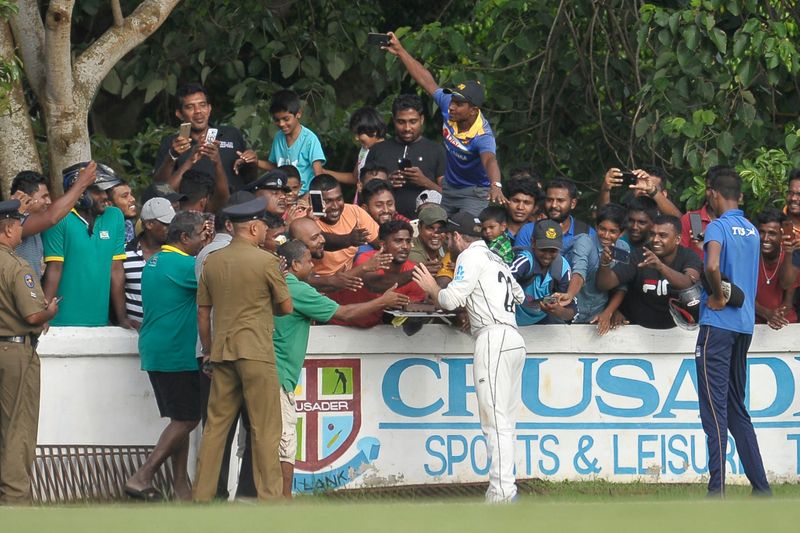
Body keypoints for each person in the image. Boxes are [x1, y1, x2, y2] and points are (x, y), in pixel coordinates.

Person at [239, 240, 409, 498]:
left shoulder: (271, 283)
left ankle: (251, 498)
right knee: (284, 442)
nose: (312, 265)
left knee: (259, 439)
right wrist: (382, 301)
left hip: (255, 370)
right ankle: (282, 503)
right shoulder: (295, 289)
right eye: (308, 261)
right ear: (295, 264)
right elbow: (346, 313)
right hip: (278, 374)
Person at [412, 211, 526, 503]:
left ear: (457, 236)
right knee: (505, 421)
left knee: (494, 420)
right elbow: (520, 295)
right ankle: (503, 489)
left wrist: (432, 288)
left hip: (494, 338)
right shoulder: (495, 258)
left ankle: (502, 493)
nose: (446, 241)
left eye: (448, 236)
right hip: (513, 338)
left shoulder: (470, 256)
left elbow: (451, 299)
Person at [194, 196, 292, 502]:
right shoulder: (266, 261)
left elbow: (202, 312)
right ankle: (270, 497)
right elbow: (286, 308)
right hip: (256, 352)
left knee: (215, 428)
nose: (267, 231)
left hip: (222, 352)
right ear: (252, 228)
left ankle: (202, 495)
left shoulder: (212, 260)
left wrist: (208, 349)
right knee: (265, 427)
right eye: (263, 225)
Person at [694, 168, 771, 497]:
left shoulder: (719, 227)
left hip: (718, 326)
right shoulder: (752, 230)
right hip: (744, 326)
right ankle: (761, 488)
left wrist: (715, 295)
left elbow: (712, 267)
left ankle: (718, 491)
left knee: (713, 410)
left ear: (712, 193)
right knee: (737, 407)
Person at [124, 211, 209, 501]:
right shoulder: (185, 264)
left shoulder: (156, 260)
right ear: (185, 238)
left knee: (181, 417)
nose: (204, 241)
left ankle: (179, 487)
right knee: (187, 419)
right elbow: (220, 283)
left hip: (157, 346)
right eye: (201, 235)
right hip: (176, 349)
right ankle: (142, 476)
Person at [384, 33, 506, 214]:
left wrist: (496, 185)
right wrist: (400, 51)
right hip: (448, 188)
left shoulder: (482, 135)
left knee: (465, 235)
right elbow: (426, 80)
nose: (452, 106)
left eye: (459, 104)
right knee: (435, 229)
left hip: (474, 192)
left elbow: (489, 160)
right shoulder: (449, 105)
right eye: (453, 100)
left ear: (473, 110)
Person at [0, 199, 58, 504]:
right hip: (14, 352)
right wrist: (49, 311)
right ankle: (14, 500)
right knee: (18, 427)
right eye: (19, 224)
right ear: (8, 228)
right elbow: (33, 316)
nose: (22, 229)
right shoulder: (16, 265)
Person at [42, 162, 131, 328]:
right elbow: (54, 268)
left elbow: (116, 269)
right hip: (61, 321)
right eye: (98, 191)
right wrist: (45, 317)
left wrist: (122, 318)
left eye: (106, 190)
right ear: (80, 192)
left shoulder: (115, 216)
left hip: (100, 320)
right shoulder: (59, 219)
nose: (106, 196)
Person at [597, 215, 701, 329]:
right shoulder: (639, 255)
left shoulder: (688, 256)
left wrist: (661, 267)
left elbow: (688, 284)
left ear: (678, 239)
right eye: (652, 234)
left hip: (678, 329)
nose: (655, 239)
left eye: (662, 235)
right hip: (638, 329)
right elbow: (604, 284)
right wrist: (604, 264)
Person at [153, 82, 255, 191]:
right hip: (192, 207)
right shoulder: (171, 143)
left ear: (209, 108)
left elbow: (250, 180)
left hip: (236, 206)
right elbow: (160, 188)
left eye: (202, 105)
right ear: (180, 114)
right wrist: (172, 155)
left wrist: (253, 162)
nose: (198, 111)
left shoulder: (231, 134)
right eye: (190, 107)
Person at [328, 220, 426, 326]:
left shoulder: (412, 269)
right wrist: (414, 274)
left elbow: (412, 305)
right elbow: (374, 285)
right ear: (383, 244)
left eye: (408, 241)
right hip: (336, 325)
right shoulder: (368, 260)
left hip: (374, 330)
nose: (405, 246)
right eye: (398, 241)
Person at [363, 94, 445, 218]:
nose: (407, 128)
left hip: (426, 226)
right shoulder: (378, 150)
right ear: (393, 120)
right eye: (401, 122)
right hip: (383, 224)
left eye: (413, 121)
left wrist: (425, 182)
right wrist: (387, 184)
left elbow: (449, 195)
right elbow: (364, 190)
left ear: (421, 120)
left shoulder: (436, 150)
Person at [10, 165, 97, 278]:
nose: (49, 201)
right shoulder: (13, 219)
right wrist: (81, 183)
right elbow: (51, 217)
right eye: (44, 197)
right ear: (26, 197)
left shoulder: (35, 223)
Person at [555, 203, 631, 330]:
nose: (606, 235)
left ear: (622, 233)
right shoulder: (585, 241)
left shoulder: (623, 249)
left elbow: (621, 287)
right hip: (569, 310)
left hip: (597, 315)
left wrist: (608, 312)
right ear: (596, 226)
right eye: (602, 229)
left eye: (613, 231)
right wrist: (569, 295)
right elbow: (579, 272)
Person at [310, 174, 380, 276]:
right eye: (328, 201)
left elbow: (379, 243)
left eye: (339, 199)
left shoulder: (354, 212)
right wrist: (349, 239)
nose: (335, 206)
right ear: (314, 201)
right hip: (317, 283)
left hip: (348, 278)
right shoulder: (305, 219)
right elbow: (324, 241)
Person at [259, 89, 326, 194]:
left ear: (298, 113)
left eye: (286, 119)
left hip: (304, 197)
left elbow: (319, 177)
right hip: (282, 196)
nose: (281, 124)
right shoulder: (278, 137)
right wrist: (254, 162)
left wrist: (307, 198)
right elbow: (274, 167)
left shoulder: (310, 139)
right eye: (277, 120)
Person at [510, 220, 576, 325]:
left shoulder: (562, 268)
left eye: (553, 251)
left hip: (542, 322)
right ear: (533, 243)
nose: (547, 255)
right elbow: (505, 282)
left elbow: (571, 310)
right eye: (543, 249)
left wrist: (558, 310)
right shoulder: (525, 260)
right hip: (512, 320)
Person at [123, 198, 176, 326]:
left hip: (170, 332)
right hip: (131, 335)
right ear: (149, 224)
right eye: (166, 224)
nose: (171, 228)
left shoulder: (178, 255)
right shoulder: (123, 253)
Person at [515, 179, 595, 254]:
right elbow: (520, 264)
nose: (553, 205)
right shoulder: (529, 231)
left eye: (560, 200)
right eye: (550, 200)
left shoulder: (587, 233)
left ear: (573, 203)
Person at [754, 210, 796, 328]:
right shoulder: (749, 257)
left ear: (782, 234)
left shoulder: (791, 256)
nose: (765, 238)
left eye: (772, 233)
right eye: (762, 232)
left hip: (784, 323)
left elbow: (786, 288)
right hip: (754, 323)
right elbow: (744, 297)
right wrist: (767, 313)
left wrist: (788, 254)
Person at [599, 165, 681, 217]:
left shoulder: (666, 219)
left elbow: (680, 220)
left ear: (664, 194)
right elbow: (605, 218)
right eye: (640, 185)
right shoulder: (625, 213)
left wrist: (652, 191)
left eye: (649, 186)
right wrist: (605, 189)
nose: (644, 190)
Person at [503, 177, 539, 244]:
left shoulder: (539, 233)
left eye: (527, 203)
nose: (520, 207)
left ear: (535, 208)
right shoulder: (491, 227)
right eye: (516, 201)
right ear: (506, 203)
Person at [107, 180, 138, 244]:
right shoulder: (100, 230)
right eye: (125, 196)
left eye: (131, 194)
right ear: (109, 204)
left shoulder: (128, 224)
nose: (133, 199)